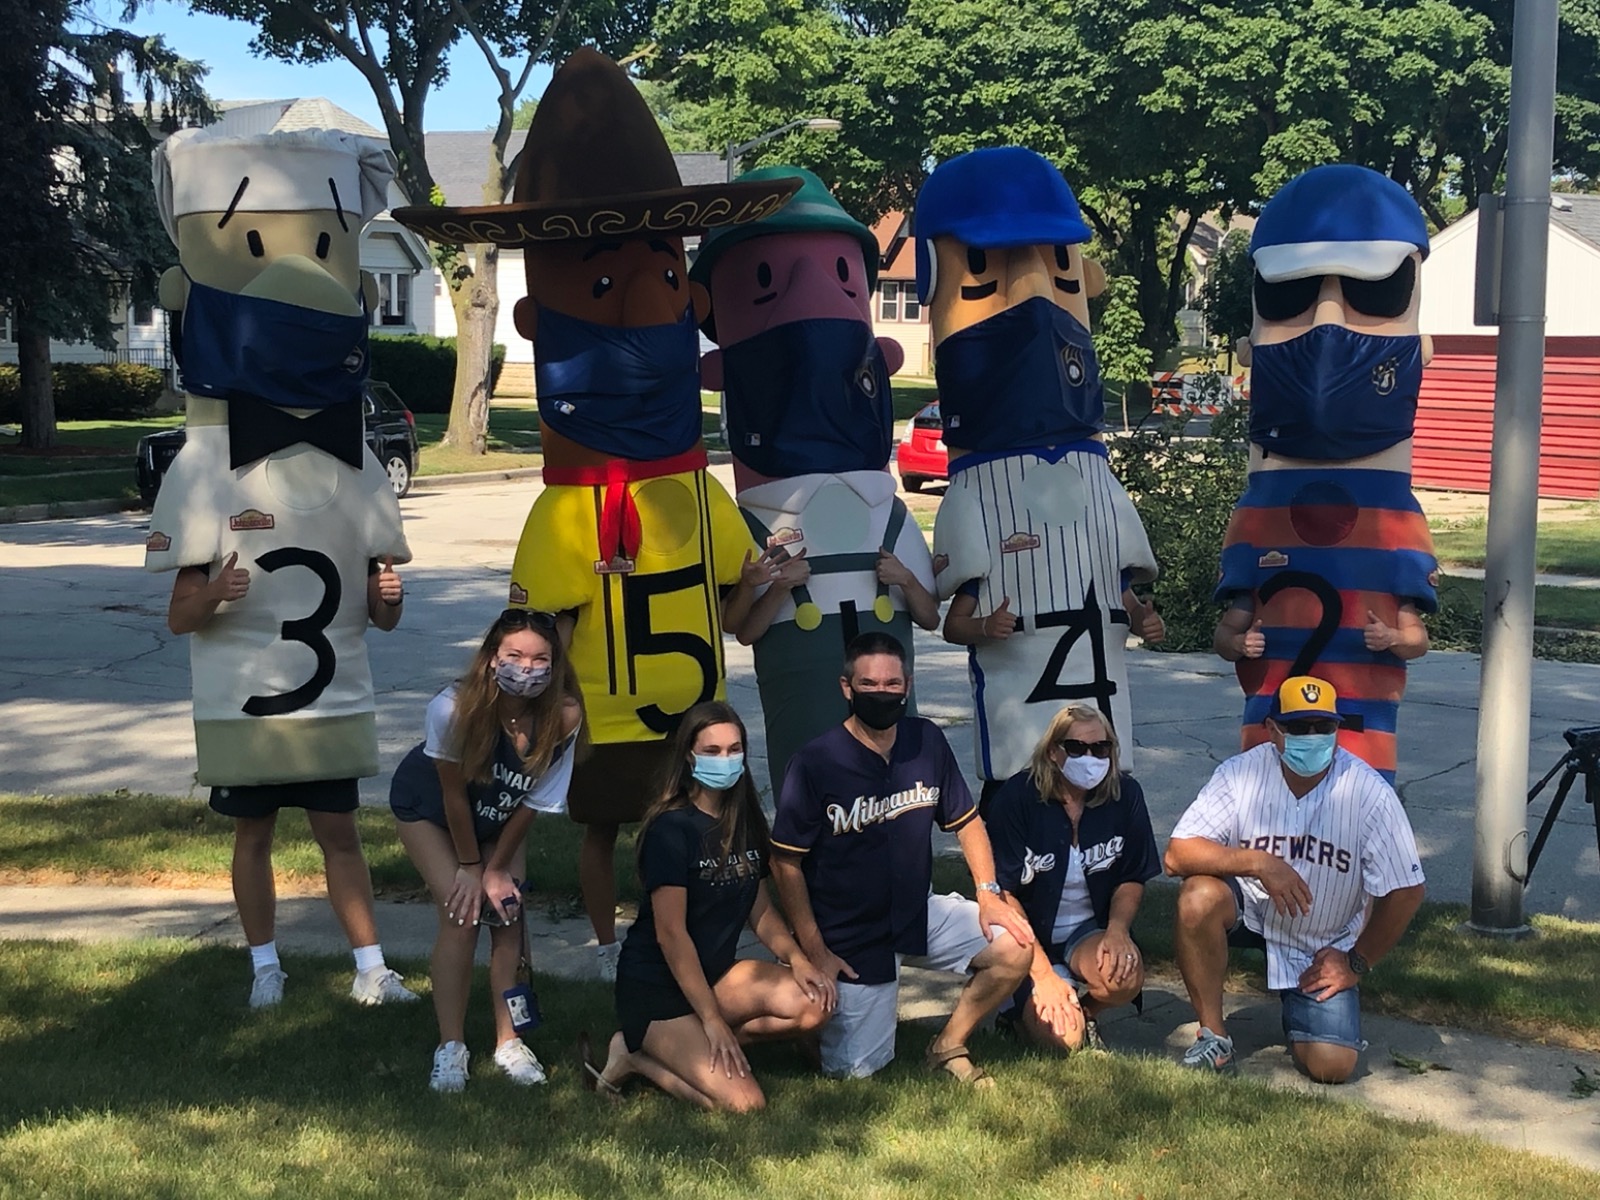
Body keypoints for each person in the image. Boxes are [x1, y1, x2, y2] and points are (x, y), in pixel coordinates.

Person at [148, 126, 419, 1012]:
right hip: (245, 694)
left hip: (330, 691)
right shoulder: (201, 468)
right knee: (254, 835)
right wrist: (214, 591)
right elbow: (180, 616)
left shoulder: (363, 466)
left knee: (341, 834)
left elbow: (382, 616)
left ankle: (370, 964)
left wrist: (388, 597)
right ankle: (264, 964)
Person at [770, 631, 1034, 1085]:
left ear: (907, 686)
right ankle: (810, 1019)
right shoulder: (815, 762)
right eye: (869, 684)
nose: (882, 693)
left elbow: (968, 821)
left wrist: (989, 895)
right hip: (848, 933)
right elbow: (785, 863)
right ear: (845, 687)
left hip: (915, 910)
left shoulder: (925, 739)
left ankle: (947, 1044)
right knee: (853, 1075)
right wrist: (816, 949)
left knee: (1014, 946)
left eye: (892, 684)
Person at [1165, 674, 1426, 1083]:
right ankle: (1214, 1036)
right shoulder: (1241, 773)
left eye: (1324, 726)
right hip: (1251, 910)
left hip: (1324, 940)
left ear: (1338, 727)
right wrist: (1259, 863)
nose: (1313, 736)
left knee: (1333, 1066)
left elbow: (1408, 891)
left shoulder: (1368, 791)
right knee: (1197, 897)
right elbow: (1177, 854)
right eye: (1298, 727)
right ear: (1272, 730)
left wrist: (1356, 962)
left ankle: (1301, 1005)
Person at [582, 701, 831, 1111]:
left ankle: (697, 1043)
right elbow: (671, 935)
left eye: (735, 750)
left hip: (716, 978)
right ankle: (637, 1056)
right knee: (745, 1104)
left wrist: (797, 958)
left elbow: (760, 909)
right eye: (712, 751)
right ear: (688, 757)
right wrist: (713, 1021)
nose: (726, 759)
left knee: (814, 1003)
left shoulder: (745, 818)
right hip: (657, 990)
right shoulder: (671, 829)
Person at [389, 609, 585, 1092]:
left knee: (509, 913)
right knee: (462, 914)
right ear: (492, 658)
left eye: (540, 658)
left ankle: (509, 1042)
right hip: (430, 812)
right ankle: (450, 1046)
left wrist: (498, 869)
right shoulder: (453, 708)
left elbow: (534, 800)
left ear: (555, 664)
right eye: (515, 654)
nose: (527, 666)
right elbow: (454, 795)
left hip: (500, 819)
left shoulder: (565, 715)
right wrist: (472, 869)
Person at [986, 704, 1160, 1053]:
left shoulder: (1126, 795)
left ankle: (1085, 1011)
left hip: (1085, 931)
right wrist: (1043, 974)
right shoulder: (1016, 798)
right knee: (1064, 1042)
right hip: (1026, 935)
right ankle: (1016, 1009)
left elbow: (1131, 877)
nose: (1090, 757)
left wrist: (1117, 932)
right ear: (1053, 751)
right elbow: (1004, 893)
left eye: (1101, 748)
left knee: (1125, 973)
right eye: (1077, 748)